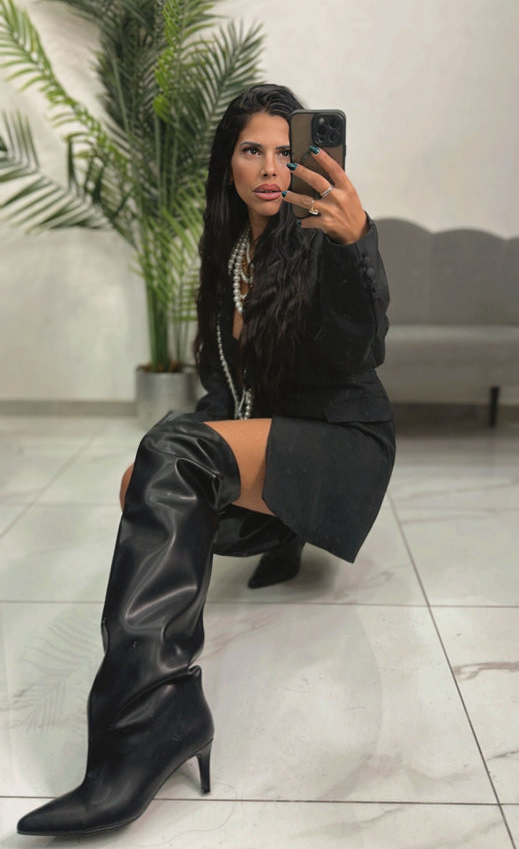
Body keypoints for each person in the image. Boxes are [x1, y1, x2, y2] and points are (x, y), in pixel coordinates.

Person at [17, 84, 395, 837]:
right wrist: (178, 440)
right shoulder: (229, 252)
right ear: (229, 164)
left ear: (307, 159)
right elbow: (223, 384)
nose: (271, 168)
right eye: (252, 150)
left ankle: (147, 722)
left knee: (172, 456)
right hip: (271, 433)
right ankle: (263, 550)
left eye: (285, 151)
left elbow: (362, 349)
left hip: (340, 443)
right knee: (145, 476)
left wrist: (354, 246)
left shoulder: (331, 233)